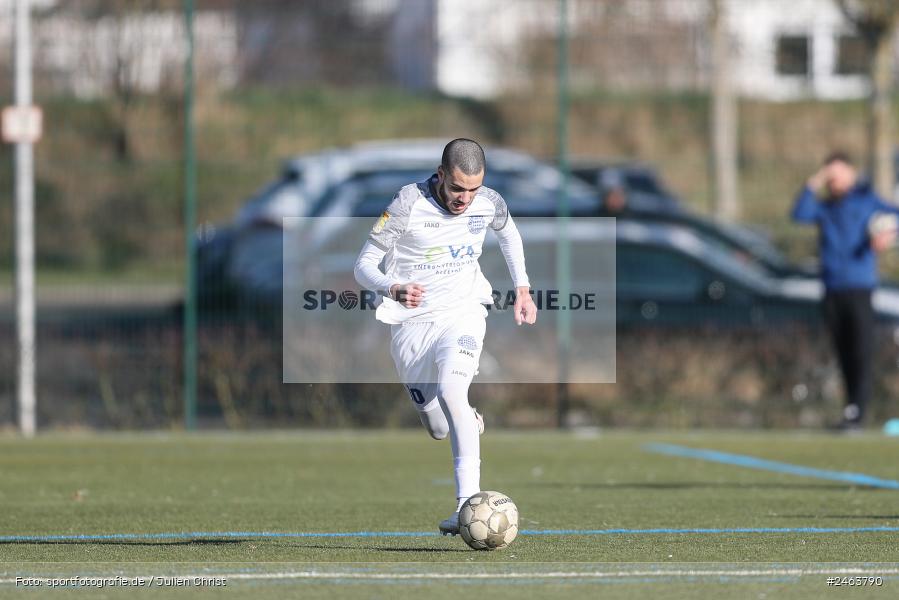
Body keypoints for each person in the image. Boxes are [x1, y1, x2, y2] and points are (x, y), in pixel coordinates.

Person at [353, 138, 537, 534]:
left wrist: (522, 287)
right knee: (438, 427)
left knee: (455, 392)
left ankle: (466, 505)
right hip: (411, 324)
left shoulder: (489, 201)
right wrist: (391, 287)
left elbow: (509, 235)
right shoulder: (407, 203)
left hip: (465, 311)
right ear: (440, 175)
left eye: (472, 189)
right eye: (457, 188)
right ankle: (464, 420)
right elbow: (363, 264)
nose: (465, 199)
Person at [791, 151, 899, 430]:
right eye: (831, 176)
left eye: (839, 174)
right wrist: (813, 182)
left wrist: (886, 236)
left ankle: (858, 414)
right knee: (842, 352)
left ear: (851, 173)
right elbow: (799, 213)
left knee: (861, 350)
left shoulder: (866, 201)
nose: (835, 181)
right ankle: (851, 410)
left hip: (860, 288)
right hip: (832, 288)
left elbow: (893, 217)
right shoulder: (825, 207)